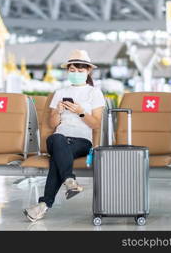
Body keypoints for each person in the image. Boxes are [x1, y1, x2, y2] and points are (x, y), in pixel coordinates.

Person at [24, 50, 105, 222]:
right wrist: (59, 112)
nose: (76, 74)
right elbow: (53, 125)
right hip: (59, 138)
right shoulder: (60, 93)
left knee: (57, 158)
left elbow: (97, 124)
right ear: (68, 71)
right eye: (73, 70)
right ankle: (68, 182)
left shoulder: (94, 93)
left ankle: (45, 203)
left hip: (82, 141)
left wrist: (81, 112)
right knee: (57, 138)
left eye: (80, 71)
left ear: (88, 71)